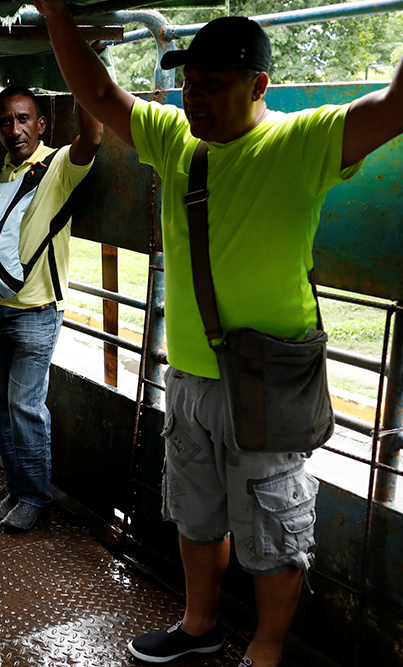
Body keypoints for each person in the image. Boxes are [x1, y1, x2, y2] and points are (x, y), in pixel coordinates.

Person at [33, 3, 403, 666]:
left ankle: (263, 653)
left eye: (211, 83)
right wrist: (55, 10)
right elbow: (94, 91)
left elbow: (396, 103)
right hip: (191, 375)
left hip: (267, 381)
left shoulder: (302, 141)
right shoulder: (176, 139)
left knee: (274, 531)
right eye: (188, 81)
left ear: (259, 85)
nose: (192, 96)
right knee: (195, 516)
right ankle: (199, 624)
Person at [0, 85, 102, 533]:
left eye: (24, 119)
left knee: (24, 406)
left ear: (41, 124)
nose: (15, 129)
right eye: (6, 121)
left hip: (34, 311)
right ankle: (17, 486)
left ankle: (35, 497)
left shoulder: (58, 167)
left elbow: (95, 136)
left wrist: (82, 75)